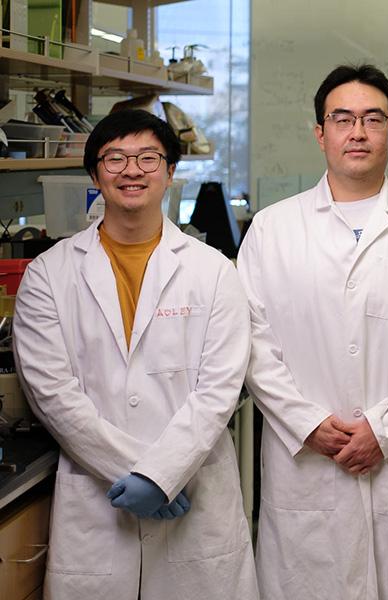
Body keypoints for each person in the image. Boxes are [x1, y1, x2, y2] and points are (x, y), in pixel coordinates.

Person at [13, 109, 258, 599]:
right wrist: (150, 475)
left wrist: (164, 475)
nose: (132, 170)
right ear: (94, 173)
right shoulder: (48, 275)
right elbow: (53, 394)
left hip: (195, 497)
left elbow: (218, 391)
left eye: (149, 158)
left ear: (170, 172)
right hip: (100, 499)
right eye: (115, 158)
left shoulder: (214, 272)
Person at [238, 64, 388, 599]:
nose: (357, 132)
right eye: (342, 119)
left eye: (372, 119)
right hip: (304, 464)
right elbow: (250, 341)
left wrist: (384, 430)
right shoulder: (273, 229)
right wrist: (306, 422)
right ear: (321, 133)